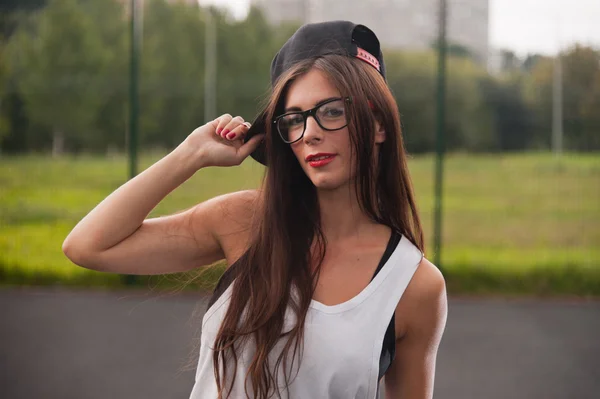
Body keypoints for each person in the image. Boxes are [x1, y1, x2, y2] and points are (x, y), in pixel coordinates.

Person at [63, 20, 447, 399]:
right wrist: (191, 154)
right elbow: (87, 246)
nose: (309, 133)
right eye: (294, 119)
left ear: (378, 123)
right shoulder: (244, 221)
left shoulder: (414, 285)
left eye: (331, 111)